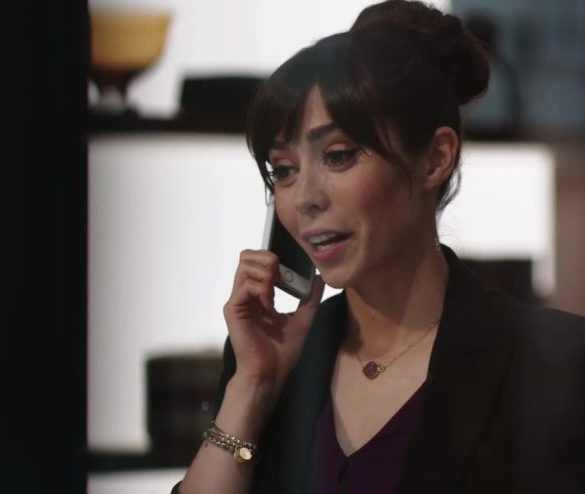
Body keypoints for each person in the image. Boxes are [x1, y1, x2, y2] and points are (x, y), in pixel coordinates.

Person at [172, 1, 585, 492]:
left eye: (338, 156)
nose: (304, 198)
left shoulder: (555, 362)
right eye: (283, 170)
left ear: (435, 159)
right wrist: (252, 387)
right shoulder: (272, 360)